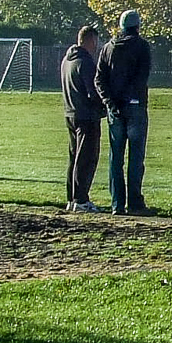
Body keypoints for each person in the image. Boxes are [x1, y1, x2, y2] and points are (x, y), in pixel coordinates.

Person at [94, 9, 153, 215]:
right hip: (135, 106)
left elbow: (99, 79)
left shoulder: (108, 48)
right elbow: (142, 77)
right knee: (136, 157)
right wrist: (130, 97)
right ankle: (135, 203)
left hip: (114, 109)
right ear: (137, 26)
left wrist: (110, 102)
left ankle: (117, 203)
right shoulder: (142, 46)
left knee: (115, 157)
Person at [61, 25, 106, 212]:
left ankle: (72, 198)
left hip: (71, 113)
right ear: (92, 40)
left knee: (74, 158)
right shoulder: (85, 62)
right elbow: (92, 91)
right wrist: (103, 107)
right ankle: (81, 199)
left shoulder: (67, 60)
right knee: (86, 158)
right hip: (87, 116)